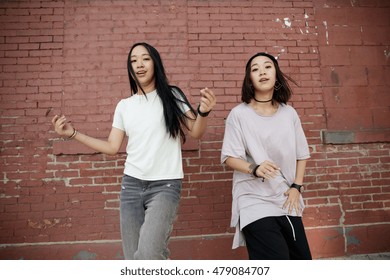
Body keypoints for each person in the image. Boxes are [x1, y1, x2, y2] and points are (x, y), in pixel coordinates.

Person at [52, 42, 216, 260]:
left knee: (148, 255)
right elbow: (112, 147)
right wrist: (73, 134)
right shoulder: (124, 106)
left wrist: (203, 112)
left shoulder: (172, 95)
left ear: (155, 63)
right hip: (131, 187)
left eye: (145, 59)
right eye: (133, 60)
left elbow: (196, 132)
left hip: (165, 186)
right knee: (133, 260)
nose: (139, 64)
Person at [220, 52, 312, 260]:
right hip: (253, 199)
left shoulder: (289, 114)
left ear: (276, 75)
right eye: (255, 69)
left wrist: (296, 187)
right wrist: (254, 168)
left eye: (267, 66)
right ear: (249, 79)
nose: (262, 71)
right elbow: (228, 157)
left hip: (285, 198)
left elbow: (302, 154)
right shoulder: (239, 115)